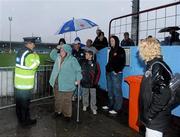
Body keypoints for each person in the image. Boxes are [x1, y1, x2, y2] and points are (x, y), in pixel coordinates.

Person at [138, 37, 172, 137]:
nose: (140, 51)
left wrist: (150, 114)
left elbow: (164, 94)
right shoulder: (153, 64)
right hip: (154, 117)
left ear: (147, 50)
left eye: (141, 48)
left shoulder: (157, 66)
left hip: (155, 119)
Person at [49, 44, 82, 121]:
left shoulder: (72, 59)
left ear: (67, 51)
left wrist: (78, 79)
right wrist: (56, 47)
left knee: (67, 100)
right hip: (56, 83)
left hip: (68, 83)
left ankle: (67, 115)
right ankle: (58, 112)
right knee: (58, 99)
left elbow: (78, 70)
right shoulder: (57, 57)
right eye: (61, 50)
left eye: (63, 50)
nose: (61, 51)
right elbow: (51, 55)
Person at [14, 38, 40, 126]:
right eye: (33, 44)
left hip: (18, 83)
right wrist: (36, 56)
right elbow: (35, 65)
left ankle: (20, 119)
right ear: (29, 44)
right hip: (25, 84)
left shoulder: (20, 51)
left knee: (19, 104)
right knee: (25, 105)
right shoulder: (30, 54)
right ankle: (25, 122)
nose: (34, 46)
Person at [103, 35, 126, 115]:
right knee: (110, 90)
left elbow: (123, 62)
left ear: (116, 41)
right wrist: (107, 69)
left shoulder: (121, 50)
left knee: (117, 91)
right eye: (110, 41)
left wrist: (117, 70)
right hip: (109, 72)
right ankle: (110, 105)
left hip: (116, 73)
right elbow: (110, 61)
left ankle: (117, 108)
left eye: (112, 40)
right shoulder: (111, 50)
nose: (111, 42)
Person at [81, 50, 101, 115]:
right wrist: (81, 79)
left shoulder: (95, 63)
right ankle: (85, 105)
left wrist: (96, 81)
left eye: (87, 54)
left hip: (93, 83)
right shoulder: (83, 62)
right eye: (85, 54)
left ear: (91, 55)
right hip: (85, 81)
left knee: (93, 95)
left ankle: (93, 108)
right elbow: (81, 71)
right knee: (85, 94)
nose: (85, 56)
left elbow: (98, 72)